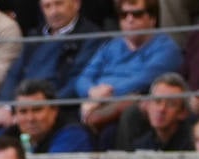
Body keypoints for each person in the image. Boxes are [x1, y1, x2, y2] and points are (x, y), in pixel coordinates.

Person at [74, 0, 182, 138]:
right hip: (95, 102)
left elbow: (143, 80)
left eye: (137, 14)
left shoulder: (166, 48)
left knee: (109, 132)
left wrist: (104, 96)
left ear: (152, 19)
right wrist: (92, 92)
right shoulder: (111, 45)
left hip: (130, 106)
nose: (130, 19)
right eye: (124, 15)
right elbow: (83, 78)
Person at [0, 0, 102, 126]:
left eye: (59, 4)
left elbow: (77, 81)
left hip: (56, 111)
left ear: (76, 4)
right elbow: (14, 73)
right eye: (47, 6)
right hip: (20, 105)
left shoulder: (90, 37)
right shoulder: (35, 35)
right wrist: (6, 106)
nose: (53, 12)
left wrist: (40, 107)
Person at [0, 78, 95, 153]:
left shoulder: (73, 134)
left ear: (54, 110)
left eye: (37, 110)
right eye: (23, 112)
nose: (30, 118)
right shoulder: (9, 133)